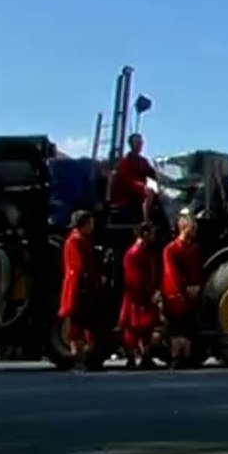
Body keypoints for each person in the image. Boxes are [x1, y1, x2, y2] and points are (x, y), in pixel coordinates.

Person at [58, 210, 101, 371]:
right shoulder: (77, 241)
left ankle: (83, 357)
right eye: (90, 222)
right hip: (79, 288)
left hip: (80, 286)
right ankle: (79, 358)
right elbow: (79, 266)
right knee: (79, 324)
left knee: (82, 324)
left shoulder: (79, 240)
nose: (92, 226)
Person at [162, 211, 203, 368]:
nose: (195, 231)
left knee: (189, 327)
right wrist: (184, 289)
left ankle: (188, 356)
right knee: (176, 328)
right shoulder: (170, 249)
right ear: (184, 228)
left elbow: (198, 270)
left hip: (193, 294)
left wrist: (197, 286)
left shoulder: (195, 249)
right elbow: (171, 273)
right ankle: (176, 357)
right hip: (176, 295)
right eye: (193, 228)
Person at [119, 222, 160, 369]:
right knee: (134, 327)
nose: (154, 236)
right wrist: (147, 294)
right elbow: (135, 279)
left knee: (144, 328)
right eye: (152, 232)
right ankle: (133, 357)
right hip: (137, 296)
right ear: (145, 234)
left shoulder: (142, 251)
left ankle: (144, 356)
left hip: (142, 294)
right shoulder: (135, 253)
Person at [108, 133, 156, 219]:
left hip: (140, 190)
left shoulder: (143, 161)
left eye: (141, 143)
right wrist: (142, 187)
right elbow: (126, 181)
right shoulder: (125, 161)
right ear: (131, 145)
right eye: (137, 143)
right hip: (127, 193)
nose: (139, 145)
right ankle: (146, 221)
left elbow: (153, 174)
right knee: (148, 192)